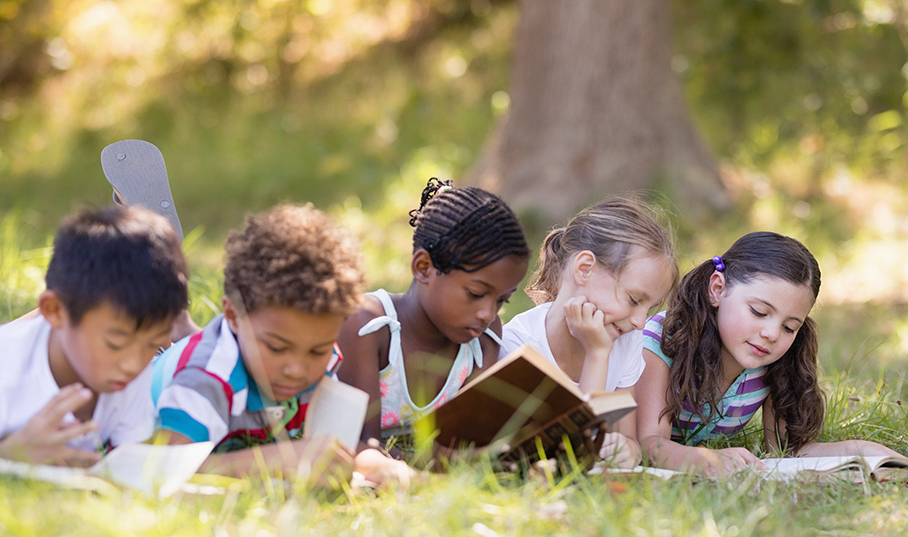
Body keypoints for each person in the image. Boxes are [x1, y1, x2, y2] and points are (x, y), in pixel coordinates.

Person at [152, 203, 409, 485]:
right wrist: (278, 458)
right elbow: (161, 468)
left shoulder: (322, 362)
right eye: (276, 347)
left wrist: (388, 468)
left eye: (317, 350)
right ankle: (170, 320)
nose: (297, 369)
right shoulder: (207, 379)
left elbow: (336, 449)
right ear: (233, 316)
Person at [638, 231, 906, 476]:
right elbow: (650, 445)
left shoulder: (770, 362)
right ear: (718, 289)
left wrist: (859, 451)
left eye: (789, 327)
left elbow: (784, 452)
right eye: (759, 312)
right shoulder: (664, 340)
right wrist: (707, 460)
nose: (772, 334)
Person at [0, 206, 189, 466]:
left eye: (153, 344)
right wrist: (6, 454)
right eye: (115, 344)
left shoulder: (129, 369)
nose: (133, 364)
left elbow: (131, 461)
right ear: (55, 311)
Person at [337, 178, 530, 459]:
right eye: (476, 293)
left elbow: (464, 442)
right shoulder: (369, 326)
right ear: (424, 267)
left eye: (502, 300)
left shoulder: (483, 343)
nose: (488, 314)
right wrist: (439, 460)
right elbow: (362, 448)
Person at [500, 195, 678, 468]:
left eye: (650, 308)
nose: (641, 322)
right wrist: (597, 354)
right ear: (584, 269)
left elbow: (626, 436)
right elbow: (572, 451)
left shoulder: (627, 343)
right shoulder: (520, 345)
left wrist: (627, 450)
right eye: (633, 300)